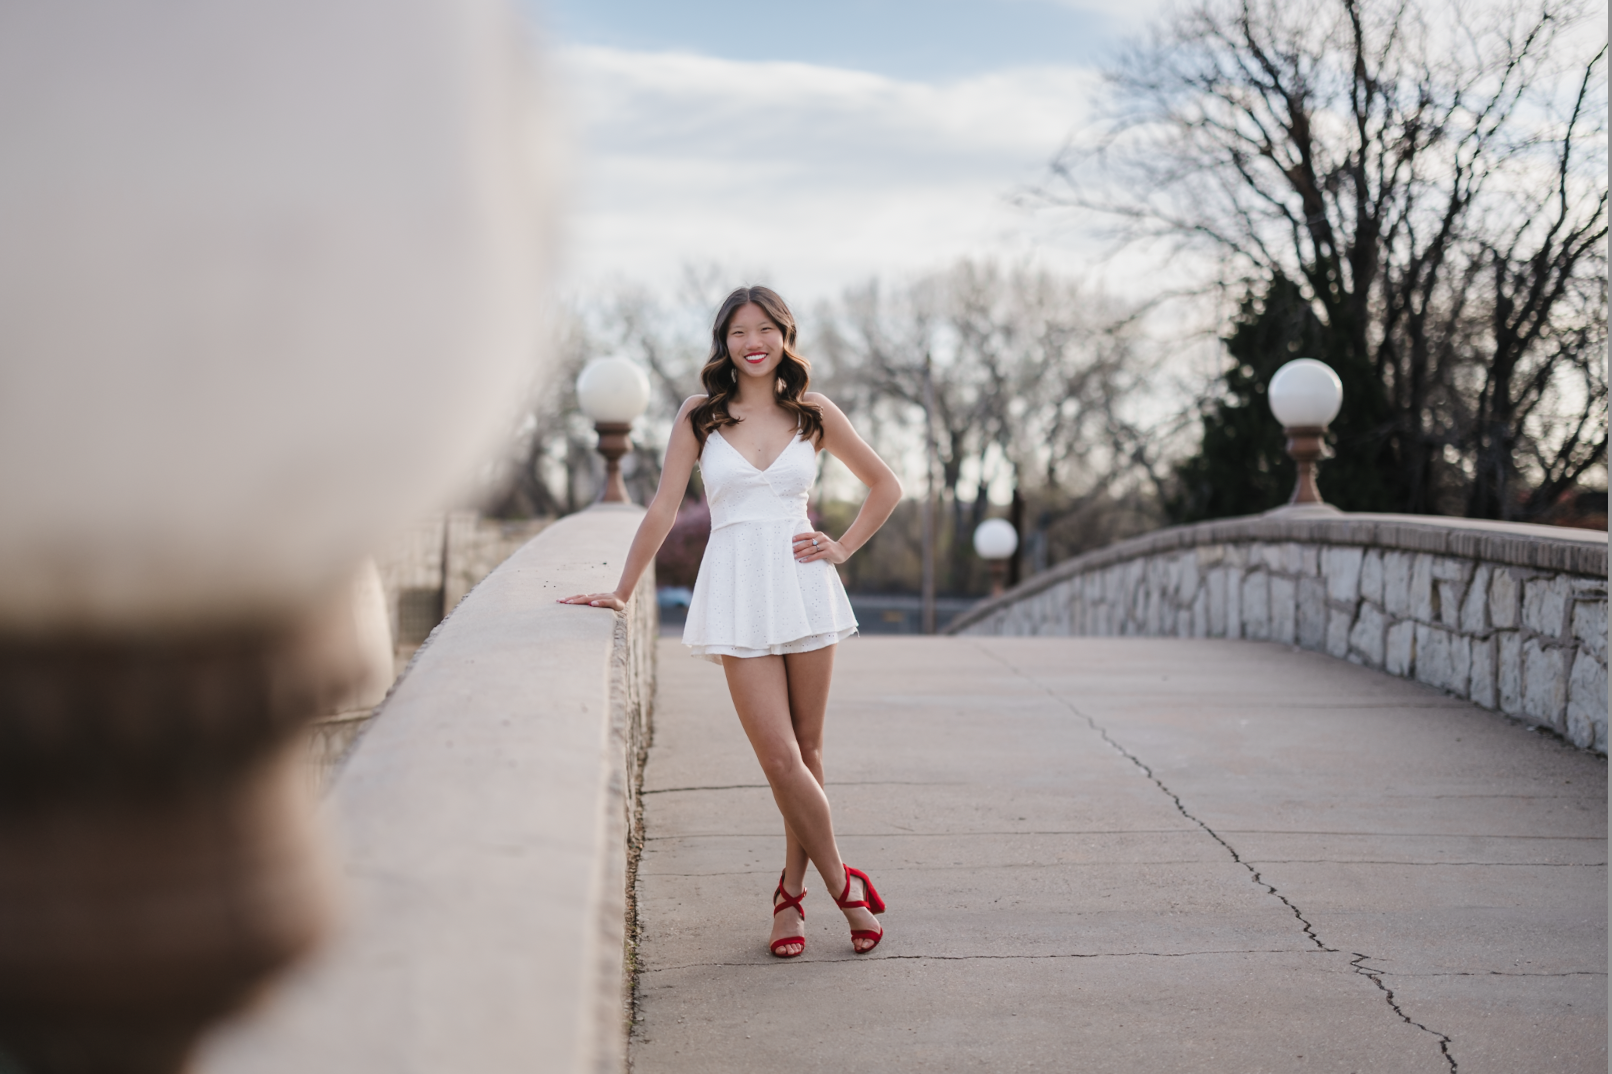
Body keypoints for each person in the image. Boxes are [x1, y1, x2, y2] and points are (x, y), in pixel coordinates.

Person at [560, 285, 902, 957]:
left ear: (785, 336)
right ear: (724, 341)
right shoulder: (700, 416)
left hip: (805, 586)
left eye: (766, 329)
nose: (754, 341)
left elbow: (886, 485)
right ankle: (845, 888)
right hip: (738, 590)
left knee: (808, 752)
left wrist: (842, 547)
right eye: (740, 331)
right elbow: (661, 508)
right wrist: (623, 590)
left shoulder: (814, 414)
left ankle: (791, 899)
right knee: (777, 757)